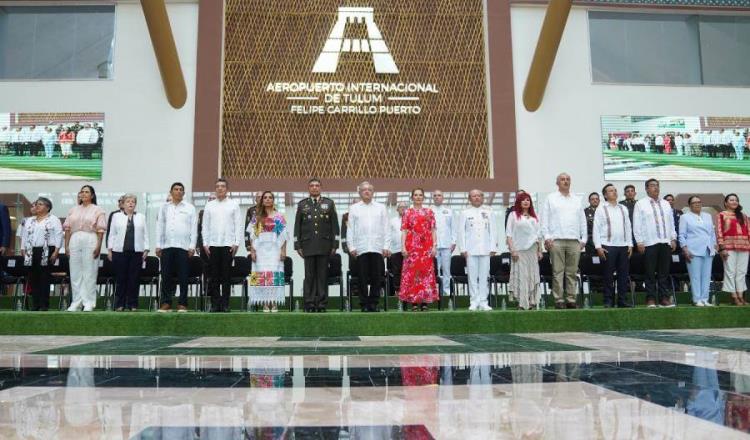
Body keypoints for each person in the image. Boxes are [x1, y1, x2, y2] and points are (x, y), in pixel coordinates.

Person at [540, 173, 586, 309]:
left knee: (572, 272)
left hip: (574, 241)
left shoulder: (577, 199)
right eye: (562, 179)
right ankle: (559, 300)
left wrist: (583, 239)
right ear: (557, 183)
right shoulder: (551, 198)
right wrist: (547, 237)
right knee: (557, 272)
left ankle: (571, 300)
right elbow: (544, 220)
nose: (565, 182)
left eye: (568, 179)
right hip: (556, 240)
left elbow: (582, 220)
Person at [294, 178, 339, 313]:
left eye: (317, 185)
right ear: (308, 188)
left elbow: (334, 226)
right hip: (307, 245)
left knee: (322, 275)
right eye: (312, 186)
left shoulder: (329, 203)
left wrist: (335, 244)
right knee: (309, 276)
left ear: (321, 188)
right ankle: (309, 303)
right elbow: (297, 226)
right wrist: (298, 245)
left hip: (324, 245)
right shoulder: (302, 205)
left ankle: (321, 303)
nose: (314, 188)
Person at [633, 178, 677, 308]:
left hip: (665, 242)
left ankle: (664, 298)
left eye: (657, 185)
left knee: (664, 273)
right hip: (649, 242)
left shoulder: (665, 203)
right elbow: (637, 224)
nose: (655, 188)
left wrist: (673, 238)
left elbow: (671, 223)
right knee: (650, 273)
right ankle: (651, 298)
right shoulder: (641, 204)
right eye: (652, 186)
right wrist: (639, 241)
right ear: (646, 189)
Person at [202, 178, 243, 312]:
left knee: (226, 276)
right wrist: (205, 243)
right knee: (214, 276)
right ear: (215, 189)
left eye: (223, 186)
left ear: (227, 189)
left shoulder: (233, 204)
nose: (220, 188)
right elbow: (205, 226)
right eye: (218, 186)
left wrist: (236, 243)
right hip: (212, 245)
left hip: (228, 245)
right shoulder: (209, 205)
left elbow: (238, 225)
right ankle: (215, 304)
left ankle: (225, 304)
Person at [156, 182, 197, 312]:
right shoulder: (164, 207)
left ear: (184, 193)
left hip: (183, 247)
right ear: (171, 192)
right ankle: (166, 303)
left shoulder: (190, 208)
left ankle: (182, 303)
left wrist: (192, 246)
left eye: (181, 190)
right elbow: (160, 227)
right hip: (167, 246)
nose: (178, 191)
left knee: (183, 276)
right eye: (176, 189)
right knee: (166, 276)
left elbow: (194, 228)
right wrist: (158, 245)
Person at [348, 181, 389, 312]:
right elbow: (350, 229)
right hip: (361, 248)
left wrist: (386, 245)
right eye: (364, 190)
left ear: (373, 192)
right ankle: (364, 304)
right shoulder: (354, 208)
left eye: (369, 190)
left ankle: (374, 303)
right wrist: (351, 246)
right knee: (362, 278)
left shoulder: (381, 207)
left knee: (377, 277)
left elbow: (386, 228)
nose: (367, 191)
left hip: (377, 248)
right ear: (359, 192)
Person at [63, 185, 106, 312]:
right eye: (82, 192)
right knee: (75, 272)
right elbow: (67, 229)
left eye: (87, 192)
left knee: (89, 271)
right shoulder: (73, 210)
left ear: (92, 195)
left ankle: (89, 302)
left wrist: (98, 246)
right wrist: (66, 245)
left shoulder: (98, 210)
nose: (84, 194)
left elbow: (100, 230)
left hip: (90, 238)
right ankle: (76, 301)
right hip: (74, 239)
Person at [107, 194, 149, 312]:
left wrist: (146, 249)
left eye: (133, 202)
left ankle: (133, 304)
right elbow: (112, 234)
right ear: (123, 204)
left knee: (134, 279)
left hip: (137, 252)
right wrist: (109, 250)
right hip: (119, 252)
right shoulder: (116, 216)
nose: (130, 203)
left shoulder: (141, 216)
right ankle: (120, 304)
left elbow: (145, 233)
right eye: (128, 201)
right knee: (121, 278)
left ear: (135, 204)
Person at [593, 184, 633, 308]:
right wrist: (598, 246)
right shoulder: (601, 208)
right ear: (605, 195)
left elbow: (628, 227)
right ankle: (608, 300)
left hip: (623, 246)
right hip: (608, 246)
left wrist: (630, 244)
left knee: (623, 275)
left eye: (615, 190)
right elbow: (596, 228)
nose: (614, 192)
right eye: (611, 191)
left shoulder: (623, 208)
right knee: (608, 275)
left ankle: (622, 300)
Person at [458, 189, 498, 311]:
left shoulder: (489, 212)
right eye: (473, 196)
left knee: (484, 276)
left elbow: (493, 231)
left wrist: (493, 247)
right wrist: (462, 248)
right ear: (469, 199)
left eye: (479, 196)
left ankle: (483, 301)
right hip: (470, 250)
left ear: (482, 197)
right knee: (472, 277)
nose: (476, 198)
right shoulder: (465, 213)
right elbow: (461, 232)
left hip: (485, 249)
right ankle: (474, 301)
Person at [247, 191, 287, 312]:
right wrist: (253, 252)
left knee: (274, 274)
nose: (268, 199)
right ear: (262, 200)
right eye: (265, 197)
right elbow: (252, 237)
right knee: (262, 275)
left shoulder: (279, 217)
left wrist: (283, 251)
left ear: (273, 200)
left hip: (275, 250)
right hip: (261, 251)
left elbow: (284, 236)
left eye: (270, 197)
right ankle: (264, 302)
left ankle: (274, 302)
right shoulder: (257, 217)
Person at [20, 198, 63, 311]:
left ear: (47, 207)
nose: (37, 206)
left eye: (40, 204)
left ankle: (44, 304)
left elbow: (59, 235)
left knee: (44, 277)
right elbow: (24, 236)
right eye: (36, 204)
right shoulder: (30, 220)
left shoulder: (53, 219)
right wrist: (23, 249)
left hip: (47, 250)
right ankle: (35, 304)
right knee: (33, 277)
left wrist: (56, 251)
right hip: (30, 250)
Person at [399, 188, 438, 311]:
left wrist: (434, 246)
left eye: (420, 195)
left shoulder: (429, 212)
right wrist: (403, 246)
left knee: (425, 274)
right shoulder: (407, 213)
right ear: (412, 197)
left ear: (424, 197)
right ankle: (414, 302)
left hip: (426, 248)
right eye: (415, 195)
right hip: (412, 248)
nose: (418, 197)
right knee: (412, 274)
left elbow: (433, 231)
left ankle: (425, 302)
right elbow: (404, 231)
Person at [506, 192, 542, 310]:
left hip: (532, 250)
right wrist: (513, 250)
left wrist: (540, 251)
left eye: (528, 200)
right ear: (519, 202)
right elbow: (509, 235)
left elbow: (538, 236)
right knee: (522, 275)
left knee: (532, 275)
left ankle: (532, 301)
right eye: (523, 200)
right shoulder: (513, 215)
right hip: (519, 250)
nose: (526, 202)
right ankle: (522, 303)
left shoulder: (534, 217)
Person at [679, 196, 716, 307]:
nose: (697, 204)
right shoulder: (685, 217)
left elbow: (712, 233)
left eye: (699, 202)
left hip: (708, 249)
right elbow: (681, 235)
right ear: (690, 205)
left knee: (706, 276)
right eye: (694, 203)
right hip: (693, 250)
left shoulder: (708, 216)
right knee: (695, 276)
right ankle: (696, 299)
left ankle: (705, 299)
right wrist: (685, 248)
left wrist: (714, 244)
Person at [717, 194, 750, 306]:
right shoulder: (721, 215)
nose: (734, 202)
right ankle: (733, 295)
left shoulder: (744, 216)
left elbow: (748, 232)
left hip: (744, 247)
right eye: (731, 200)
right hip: (728, 247)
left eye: (736, 200)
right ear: (726, 203)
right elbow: (719, 231)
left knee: (741, 272)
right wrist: (722, 247)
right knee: (730, 271)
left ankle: (741, 296)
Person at [431, 190, 455, 298]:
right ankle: (435, 292)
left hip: (446, 245)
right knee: (434, 269)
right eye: (435, 196)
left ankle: (446, 292)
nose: (437, 197)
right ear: (433, 198)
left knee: (446, 270)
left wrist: (453, 242)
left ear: (443, 197)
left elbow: (453, 227)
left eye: (439, 195)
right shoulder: (429, 210)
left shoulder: (449, 211)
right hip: (433, 246)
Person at [387, 202, 408, 296]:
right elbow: (388, 235)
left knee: (408, 271)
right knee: (397, 272)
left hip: (409, 251)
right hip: (395, 250)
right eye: (401, 207)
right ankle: (398, 292)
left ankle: (408, 291)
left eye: (404, 207)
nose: (403, 209)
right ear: (397, 209)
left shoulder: (411, 220)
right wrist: (388, 248)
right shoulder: (392, 221)